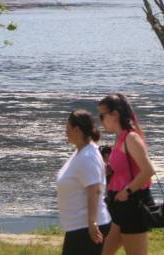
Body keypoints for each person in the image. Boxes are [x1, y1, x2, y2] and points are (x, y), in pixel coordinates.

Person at [98, 93, 155, 255]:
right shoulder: (120, 138)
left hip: (133, 205)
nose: (100, 120)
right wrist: (109, 170)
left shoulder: (131, 138)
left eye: (102, 115)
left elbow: (148, 171)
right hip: (120, 207)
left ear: (114, 114)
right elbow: (125, 169)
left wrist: (126, 191)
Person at [57, 109, 112, 255]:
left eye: (67, 128)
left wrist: (92, 222)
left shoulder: (88, 156)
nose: (65, 132)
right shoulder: (81, 152)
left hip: (88, 228)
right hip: (78, 227)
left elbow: (95, 190)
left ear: (77, 130)